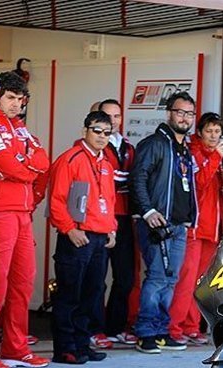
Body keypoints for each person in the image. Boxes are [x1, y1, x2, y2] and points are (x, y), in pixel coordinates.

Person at [0, 71, 50, 368]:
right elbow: (7, 163)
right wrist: (25, 167)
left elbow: (43, 160)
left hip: (23, 215)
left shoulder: (21, 128)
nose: (15, 104)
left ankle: (15, 347)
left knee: (23, 283)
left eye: (19, 99)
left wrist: (22, 165)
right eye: (10, 97)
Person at [129, 91, 198, 354]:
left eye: (189, 114)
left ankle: (160, 331)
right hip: (157, 224)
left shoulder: (184, 148)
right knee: (157, 278)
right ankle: (145, 332)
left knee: (170, 279)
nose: (184, 118)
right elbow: (138, 178)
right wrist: (147, 212)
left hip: (179, 225)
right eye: (180, 112)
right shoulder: (154, 143)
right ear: (169, 113)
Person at [48, 111, 118, 364]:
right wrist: (69, 229)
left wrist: (111, 229)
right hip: (77, 236)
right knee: (69, 294)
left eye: (107, 132)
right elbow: (56, 199)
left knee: (92, 293)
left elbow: (109, 201)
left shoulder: (107, 165)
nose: (101, 136)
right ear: (84, 131)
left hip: (100, 237)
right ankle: (65, 348)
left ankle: (82, 343)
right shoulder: (71, 159)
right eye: (96, 130)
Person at [168, 112, 223, 346]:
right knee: (185, 280)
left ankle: (192, 326)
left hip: (211, 230)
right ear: (200, 133)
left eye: (217, 131)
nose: (214, 136)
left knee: (200, 284)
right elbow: (198, 184)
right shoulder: (194, 153)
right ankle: (174, 327)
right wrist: (214, 158)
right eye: (209, 131)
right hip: (193, 228)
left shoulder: (216, 155)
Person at [96, 99, 138, 347]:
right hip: (100, 218)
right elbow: (113, 179)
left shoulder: (128, 147)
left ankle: (115, 326)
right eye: (108, 115)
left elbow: (126, 179)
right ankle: (95, 328)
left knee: (125, 277)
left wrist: (122, 179)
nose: (113, 120)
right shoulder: (93, 145)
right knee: (96, 278)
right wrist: (125, 179)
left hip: (124, 217)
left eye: (117, 116)